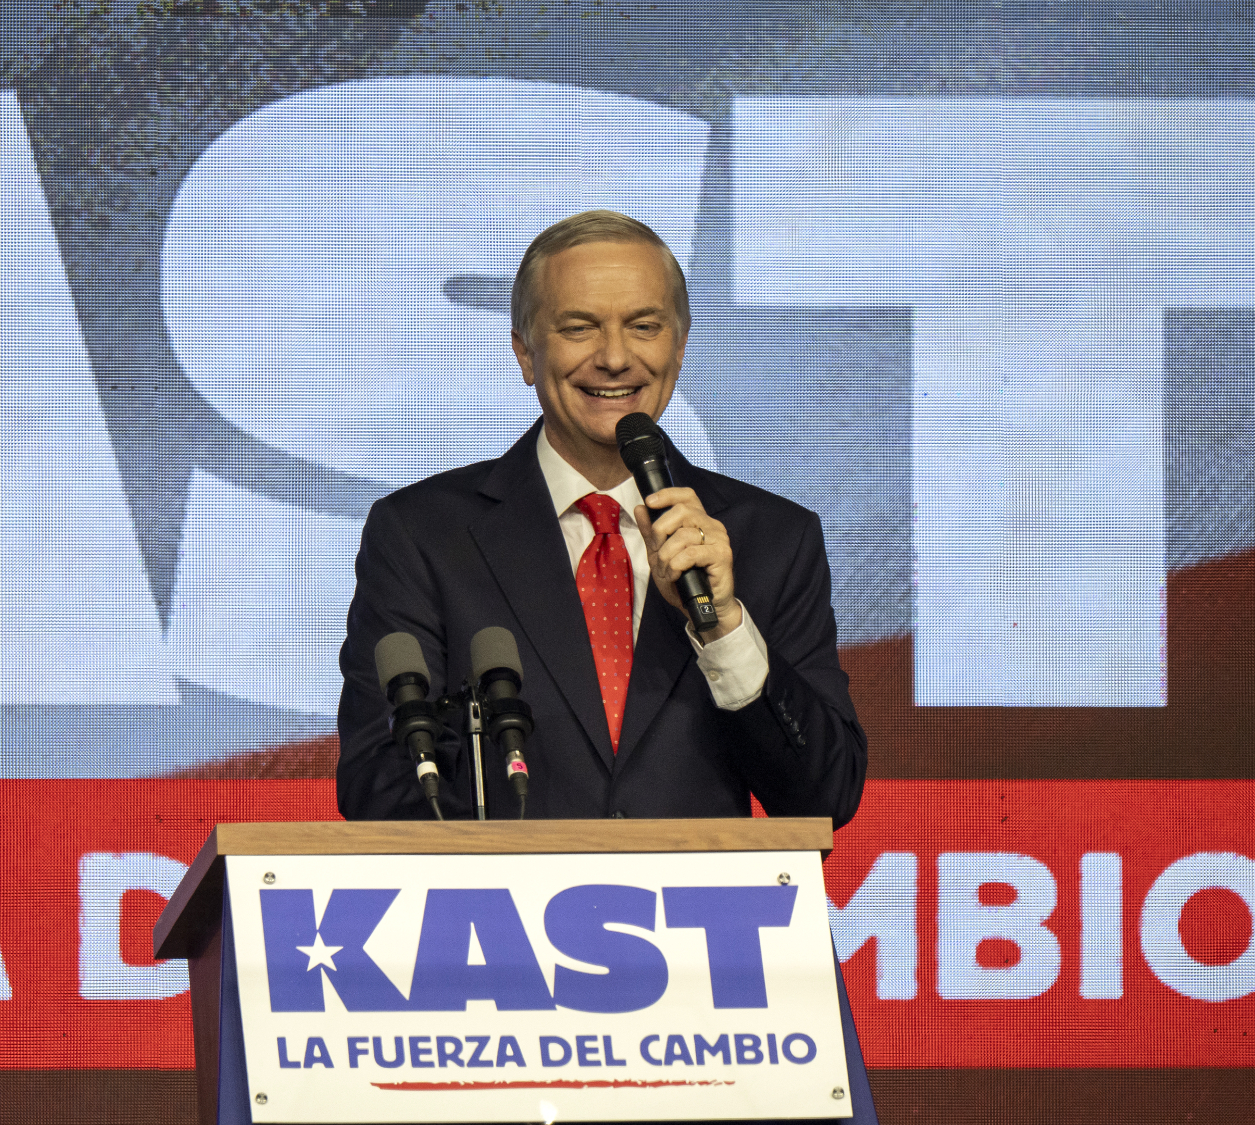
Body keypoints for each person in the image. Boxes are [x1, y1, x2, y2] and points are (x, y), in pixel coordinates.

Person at [335, 209, 866, 826]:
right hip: (500, 916)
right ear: (526, 353)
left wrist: (724, 627)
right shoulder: (423, 534)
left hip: (708, 919)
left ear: (680, 345)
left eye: (644, 326)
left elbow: (824, 798)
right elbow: (377, 787)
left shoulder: (770, 539)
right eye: (579, 328)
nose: (615, 358)